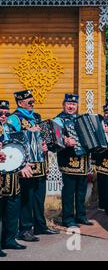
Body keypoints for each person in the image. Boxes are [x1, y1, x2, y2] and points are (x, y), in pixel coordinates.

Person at [7, 90, 59, 242]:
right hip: (27, 165)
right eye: (29, 102)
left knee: (39, 197)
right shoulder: (14, 118)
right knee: (27, 198)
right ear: (20, 103)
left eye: (33, 102)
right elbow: (11, 139)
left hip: (41, 164)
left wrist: (44, 145)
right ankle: (25, 229)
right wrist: (26, 131)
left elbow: (42, 136)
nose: (32, 104)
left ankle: (40, 225)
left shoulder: (36, 117)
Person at [54, 94, 93, 228]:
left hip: (83, 162)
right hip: (69, 162)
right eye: (68, 104)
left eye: (74, 104)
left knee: (81, 191)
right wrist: (65, 140)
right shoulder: (58, 120)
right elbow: (54, 138)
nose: (71, 106)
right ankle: (68, 218)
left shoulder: (80, 119)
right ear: (63, 105)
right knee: (69, 192)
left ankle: (81, 216)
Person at [0, 100, 32, 254]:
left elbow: (21, 149)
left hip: (12, 177)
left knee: (12, 208)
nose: (3, 116)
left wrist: (24, 164)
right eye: (0, 113)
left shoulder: (10, 128)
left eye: (6, 113)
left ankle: (9, 240)